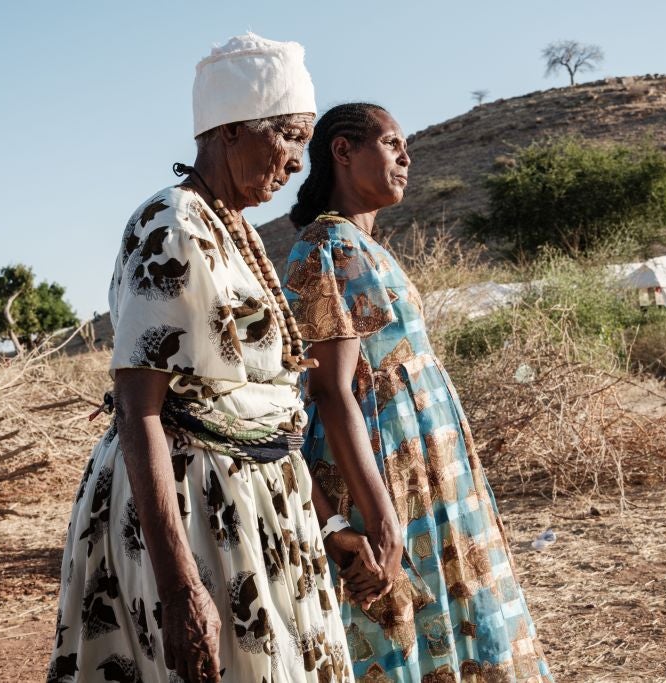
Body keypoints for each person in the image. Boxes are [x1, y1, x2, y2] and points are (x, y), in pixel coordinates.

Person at [48, 34, 354, 683]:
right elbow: (140, 411)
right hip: (196, 515)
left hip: (253, 507)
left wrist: (324, 519)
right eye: (291, 138)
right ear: (232, 130)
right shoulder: (172, 226)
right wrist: (181, 587)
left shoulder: (231, 227)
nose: (300, 163)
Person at [282, 103, 554, 682]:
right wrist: (381, 517)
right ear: (342, 150)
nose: (407, 157)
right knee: (391, 621)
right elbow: (330, 390)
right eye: (392, 143)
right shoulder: (328, 245)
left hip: (427, 471)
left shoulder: (363, 245)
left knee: (451, 614)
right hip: (380, 475)